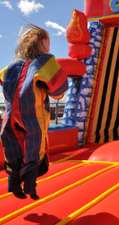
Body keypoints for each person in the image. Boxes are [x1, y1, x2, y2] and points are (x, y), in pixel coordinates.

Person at [0, 24, 69, 200]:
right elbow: (59, 90)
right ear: (43, 43)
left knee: (13, 148)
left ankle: (13, 183)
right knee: (34, 147)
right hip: (31, 116)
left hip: (8, 118)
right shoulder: (44, 61)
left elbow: (2, 79)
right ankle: (30, 187)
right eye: (49, 42)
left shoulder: (11, 67)